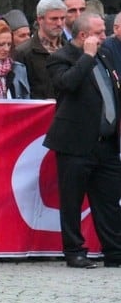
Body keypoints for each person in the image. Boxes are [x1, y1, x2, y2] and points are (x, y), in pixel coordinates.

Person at [43, 13, 120, 269]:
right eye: (99, 32)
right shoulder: (60, 58)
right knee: (72, 200)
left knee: (109, 201)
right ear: (84, 36)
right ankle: (74, 250)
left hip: (105, 144)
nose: (104, 36)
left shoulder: (105, 57)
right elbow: (67, 84)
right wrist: (86, 57)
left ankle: (115, 251)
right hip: (75, 144)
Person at [14, 0, 67, 99]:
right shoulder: (23, 52)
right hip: (40, 111)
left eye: (62, 18)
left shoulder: (69, 49)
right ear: (40, 19)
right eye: (54, 19)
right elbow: (20, 90)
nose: (59, 23)